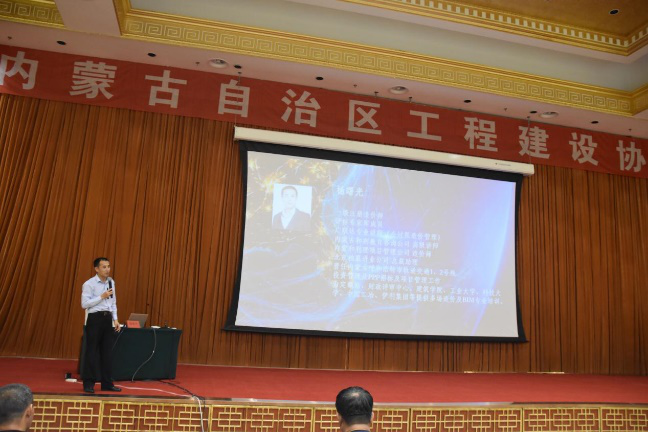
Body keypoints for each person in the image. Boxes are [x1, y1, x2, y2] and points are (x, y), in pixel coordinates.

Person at [81, 257, 121, 393]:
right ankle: (89, 383)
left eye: (108, 266)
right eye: (104, 267)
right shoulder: (89, 284)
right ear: (96, 269)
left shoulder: (111, 282)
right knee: (91, 352)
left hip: (107, 319)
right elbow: (84, 304)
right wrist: (101, 297)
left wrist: (115, 319)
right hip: (95, 319)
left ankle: (107, 383)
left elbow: (113, 302)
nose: (107, 269)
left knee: (107, 353)